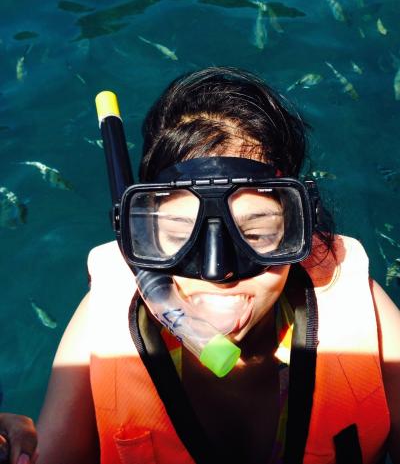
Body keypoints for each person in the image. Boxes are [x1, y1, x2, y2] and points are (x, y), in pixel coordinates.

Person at [36, 67, 400, 464]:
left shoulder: (366, 317)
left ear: (298, 226)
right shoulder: (102, 322)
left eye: (257, 231)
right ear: (143, 234)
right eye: (179, 231)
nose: (217, 270)